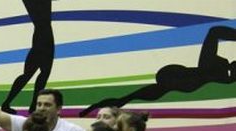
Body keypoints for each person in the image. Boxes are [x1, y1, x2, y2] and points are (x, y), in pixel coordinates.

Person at [80, 26, 236, 117]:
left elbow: (121, 100)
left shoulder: (202, 73)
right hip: (197, 77)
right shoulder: (206, 70)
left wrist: (90, 108)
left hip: (193, 79)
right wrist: (90, 108)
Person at [1, 0, 55, 114]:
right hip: (44, 37)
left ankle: (27, 105)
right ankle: (30, 106)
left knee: (32, 73)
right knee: (39, 73)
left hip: (41, 36)